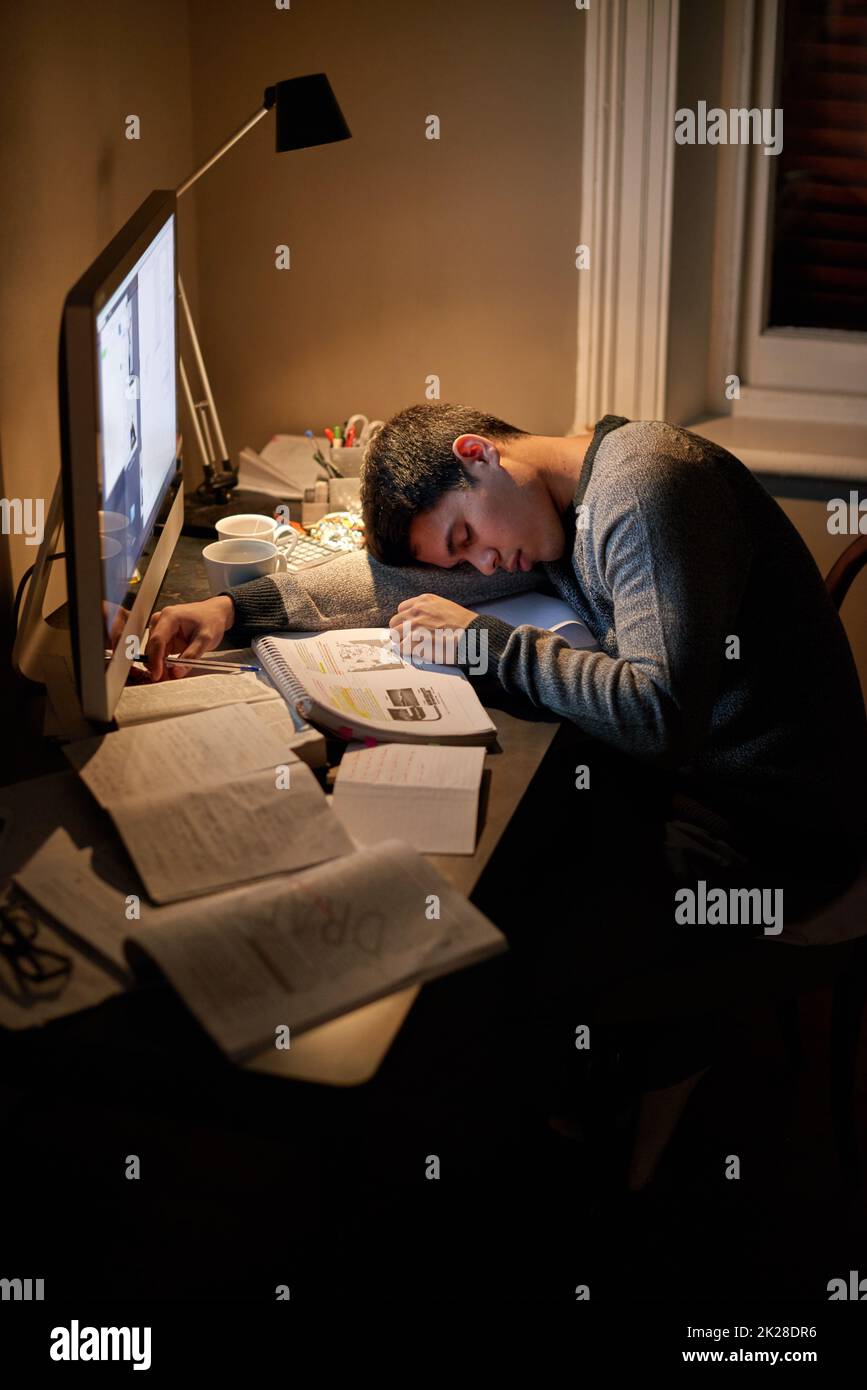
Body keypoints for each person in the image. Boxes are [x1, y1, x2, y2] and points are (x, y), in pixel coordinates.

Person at [147, 404, 867, 1181]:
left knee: (493, 941)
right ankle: (600, 1062)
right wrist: (230, 608)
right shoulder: (550, 499)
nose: (483, 566)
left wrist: (484, 645)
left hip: (774, 835)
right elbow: (392, 579)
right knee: (509, 862)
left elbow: (659, 719)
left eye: (465, 539)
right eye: (461, 559)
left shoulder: (646, 486)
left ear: (477, 454)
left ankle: (633, 1077)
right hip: (693, 793)